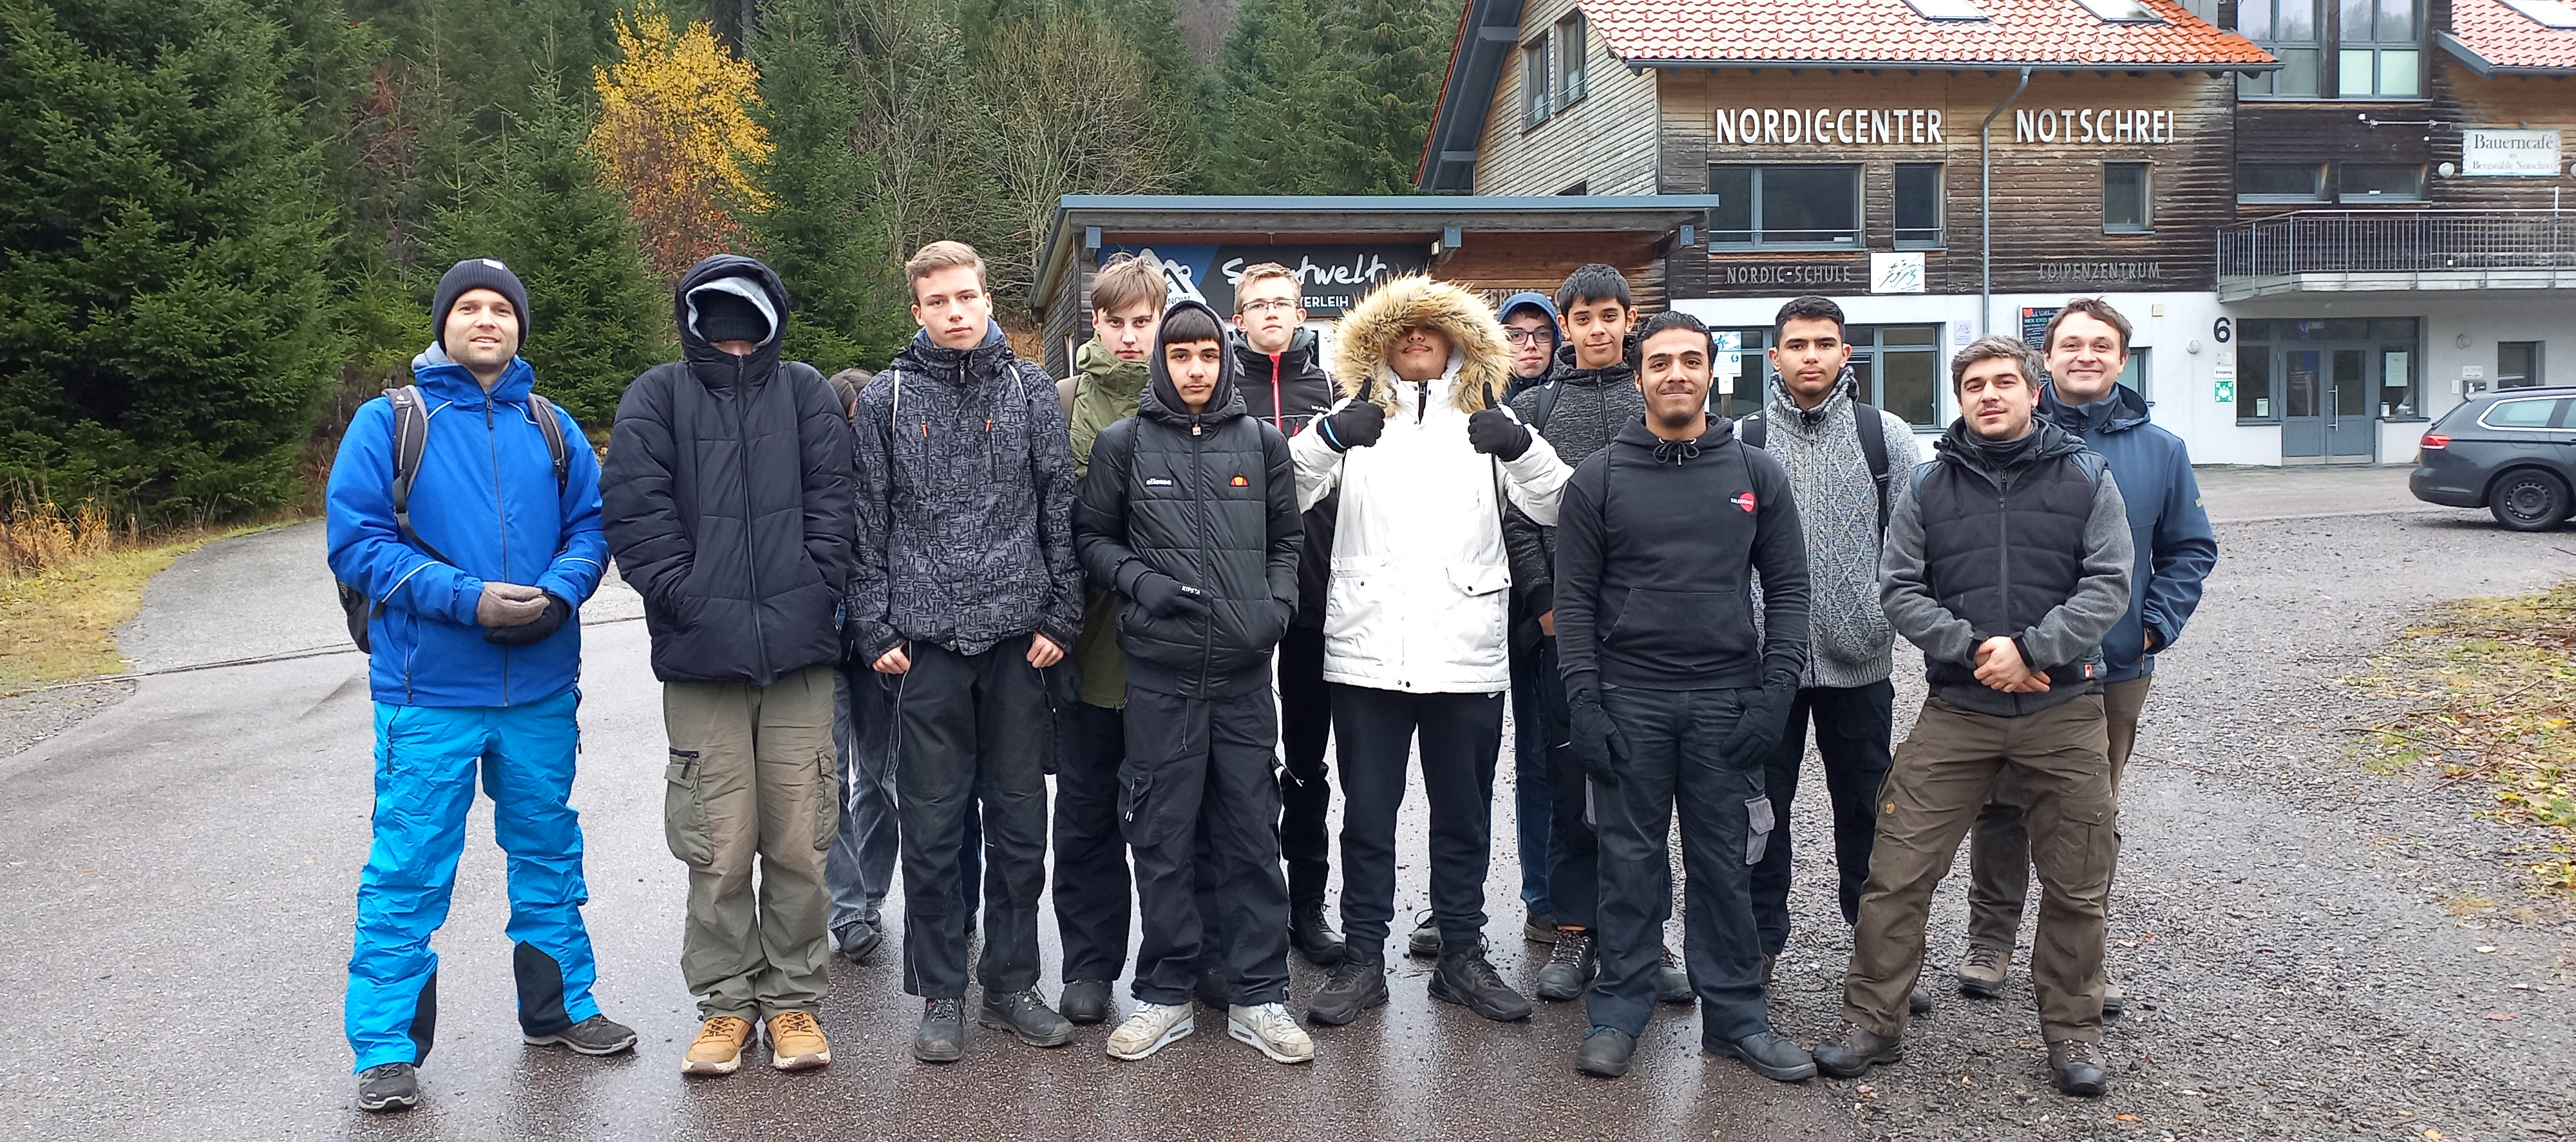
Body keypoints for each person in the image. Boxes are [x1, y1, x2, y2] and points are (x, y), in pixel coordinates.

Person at [328, 258, 630, 1113]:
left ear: (519, 326)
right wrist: (467, 598)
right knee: (409, 867)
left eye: (501, 308)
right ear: (444, 323)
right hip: (428, 692)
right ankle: (387, 1048)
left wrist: (560, 593)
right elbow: (359, 542)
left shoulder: (552, 426)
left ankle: (559, 1009)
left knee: (549, 851)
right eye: (469, 307)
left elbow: (591, 529)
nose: (487, 319)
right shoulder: (390, 422)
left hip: (539, 686)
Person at [1812, 335, 2133, 1098]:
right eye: (1974, 385)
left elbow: (2108, 583)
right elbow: (1899, 587)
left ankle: (2073, 1030)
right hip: (1959, 706)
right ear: (1959, 399)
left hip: (2063, 706)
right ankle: (1873, 1021)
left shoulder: (2087, 476)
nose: (1989, 395)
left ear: (2032, 391)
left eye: (2003, 382)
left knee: (2077, 879)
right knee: (1896, 871)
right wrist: (1972, 648)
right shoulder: (1928, 485)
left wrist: (2032, 650)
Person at [1289, 274, 1573, 1027]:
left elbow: (1562, 503)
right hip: (1368, 651)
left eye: (1432, 327)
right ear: (1377, 343)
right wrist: (1327, 439)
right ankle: (1361, 958)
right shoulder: (1348, 421)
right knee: (1367, 817)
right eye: (1401, 328)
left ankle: (1461, 955)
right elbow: (1281, 493)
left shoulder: (1490, 421)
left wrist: (1521, 448)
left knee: (1463, 815)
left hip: (1465, 649)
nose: (1416, 337)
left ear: (1458, 340)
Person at [601, 254, 855, 1076]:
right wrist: (688, 597)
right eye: (719, 323)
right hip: (699, 659)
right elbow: (634, 515)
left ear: (772, 321)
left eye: (748, 325)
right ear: (693, 321)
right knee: (715, 845)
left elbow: (838, 506)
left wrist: (813, 590)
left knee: (801, 840)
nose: (735, 339)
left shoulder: (807, 393)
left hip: (798, 658)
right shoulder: (657, 397)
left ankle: (793, 1001)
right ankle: (725, 1005)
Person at [1551, 310, 1816, 1081]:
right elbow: (1573, 602)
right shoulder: (1599, 477)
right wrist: (1584, 703)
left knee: (1726, 866)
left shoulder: (1756, 473)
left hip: (1727, 702)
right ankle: (1617, 1011)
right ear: (1639, 376)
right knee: (1628, 865)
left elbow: (1788, 588)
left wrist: (1776, 692)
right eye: (1661, 362)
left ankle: (1735, 1019)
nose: (1676, 374)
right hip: (1628, 700)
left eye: (1690, 361)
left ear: (1711, 371)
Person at [849, 241, 1085, 1063]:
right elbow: (866, 519)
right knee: (932, 828)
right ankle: (942, 992)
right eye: (938, 301)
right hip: (926, 647)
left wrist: (1062, 614)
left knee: (1019, 828)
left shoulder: (1030, 390)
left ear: (988, 301)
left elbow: (1058, 506)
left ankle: (1012, 985)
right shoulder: (885, 400)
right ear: (916, 310)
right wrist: (875, 626)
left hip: (1021, 644)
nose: (955, 312)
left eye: (966, 297)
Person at [1951, 299, 2216, 1011]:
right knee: (2000, 805)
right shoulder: (2007, 432)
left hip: (2115, 666)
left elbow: (2190, 548)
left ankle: (2077, 960)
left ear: (2122, 359)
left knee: (2088, 817)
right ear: (2046, 360)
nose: (2085, 355)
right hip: (2015, 661)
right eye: (2070, 344)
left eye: (2101, 345)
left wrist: (2151, 628)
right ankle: (1990, 940)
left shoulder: (2160, 450)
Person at [1075, 299, 1313, 1064]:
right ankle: (1164, 992)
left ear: (1225, 357)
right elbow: (1092, 538)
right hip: (1159, 678)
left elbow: (1286, 539)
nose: (1195, 369)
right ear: (1162, 362)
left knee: (1251, 836)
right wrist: (1139, 582)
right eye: (1180, 356)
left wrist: (1276, 607)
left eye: (1207, 354)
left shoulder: (1262, 443)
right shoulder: (1123, 444)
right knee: (1162, 838)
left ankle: (1259, 993)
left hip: (1243, 679)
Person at [1497, 265, 1685, 1006]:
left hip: (1649, 634)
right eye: (1583, 317)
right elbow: (1515, 514)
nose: (1597, 328)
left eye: (1610, 315)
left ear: (1628, 320)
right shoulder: (1534, 408)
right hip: (1560, 632)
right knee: (1567, 776)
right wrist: (1546, 604)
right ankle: (1573, 926)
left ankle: (1645, 932)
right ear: (1566, 326)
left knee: (1647, 783)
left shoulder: (1655, 399)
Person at [1734, 297, 1922, 986]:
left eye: (1823, 343)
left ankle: (1878, 953)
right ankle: (1757, 945)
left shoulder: (1885, 436)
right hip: (1765, 668)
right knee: (1761, 812)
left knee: (1869, 812)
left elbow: (1915, 544)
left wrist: (1880, 615)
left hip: (1860, 661)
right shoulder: (1743, 439)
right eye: (1796, 344)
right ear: (1774, 356)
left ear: (1846, 353)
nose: (1809, 356)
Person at [1050, 253, 1166, 1025]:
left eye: (1142, 321)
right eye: (1115, 321)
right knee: (1087, 815)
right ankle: (1089, 964)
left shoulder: (1187, 395)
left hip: (1170, 649)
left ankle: (1176, 959)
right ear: (1094, 322)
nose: (1129, 335)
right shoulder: (1061, 400)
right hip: (1087, 644)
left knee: (1170, 817)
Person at [1230, 261, 1347, 968]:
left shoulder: (1333, 389)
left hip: (1315, 595)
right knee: (1246, 761)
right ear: (1238, 317)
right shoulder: (1222, 387)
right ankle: (1251, 907)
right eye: (1258, 304)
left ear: (1302, 314)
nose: (1271, 312)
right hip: (1241, 599)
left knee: (1307, 761)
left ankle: (1308, 904)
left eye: (1282, 302)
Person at [1492, 290, 1565, 946]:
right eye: (1515, 333)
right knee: (1480, 761)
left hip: (1554, 610)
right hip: (1496, 606)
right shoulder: (1478, 401)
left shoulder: (1563, 401)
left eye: (1540, 333)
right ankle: (1463, 906)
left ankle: (1556, 898)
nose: (1529, 344)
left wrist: (1547, 599)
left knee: (1553, 753)